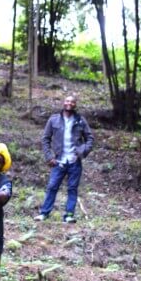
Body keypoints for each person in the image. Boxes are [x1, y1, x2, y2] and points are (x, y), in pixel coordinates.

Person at [35, 95, 93, 223]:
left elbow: (90, 138)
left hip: (74, 161)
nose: (69, 103)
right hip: (58, 161)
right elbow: (45, 139)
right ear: (63, 102)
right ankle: (44, 213)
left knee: (72, 188)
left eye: (72, 102)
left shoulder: (80, 120)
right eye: (67, 101)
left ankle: (69, 215)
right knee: (52, 187)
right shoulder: (54, 119)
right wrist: (49, 157)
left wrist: (83, 151)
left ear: (75, 104)